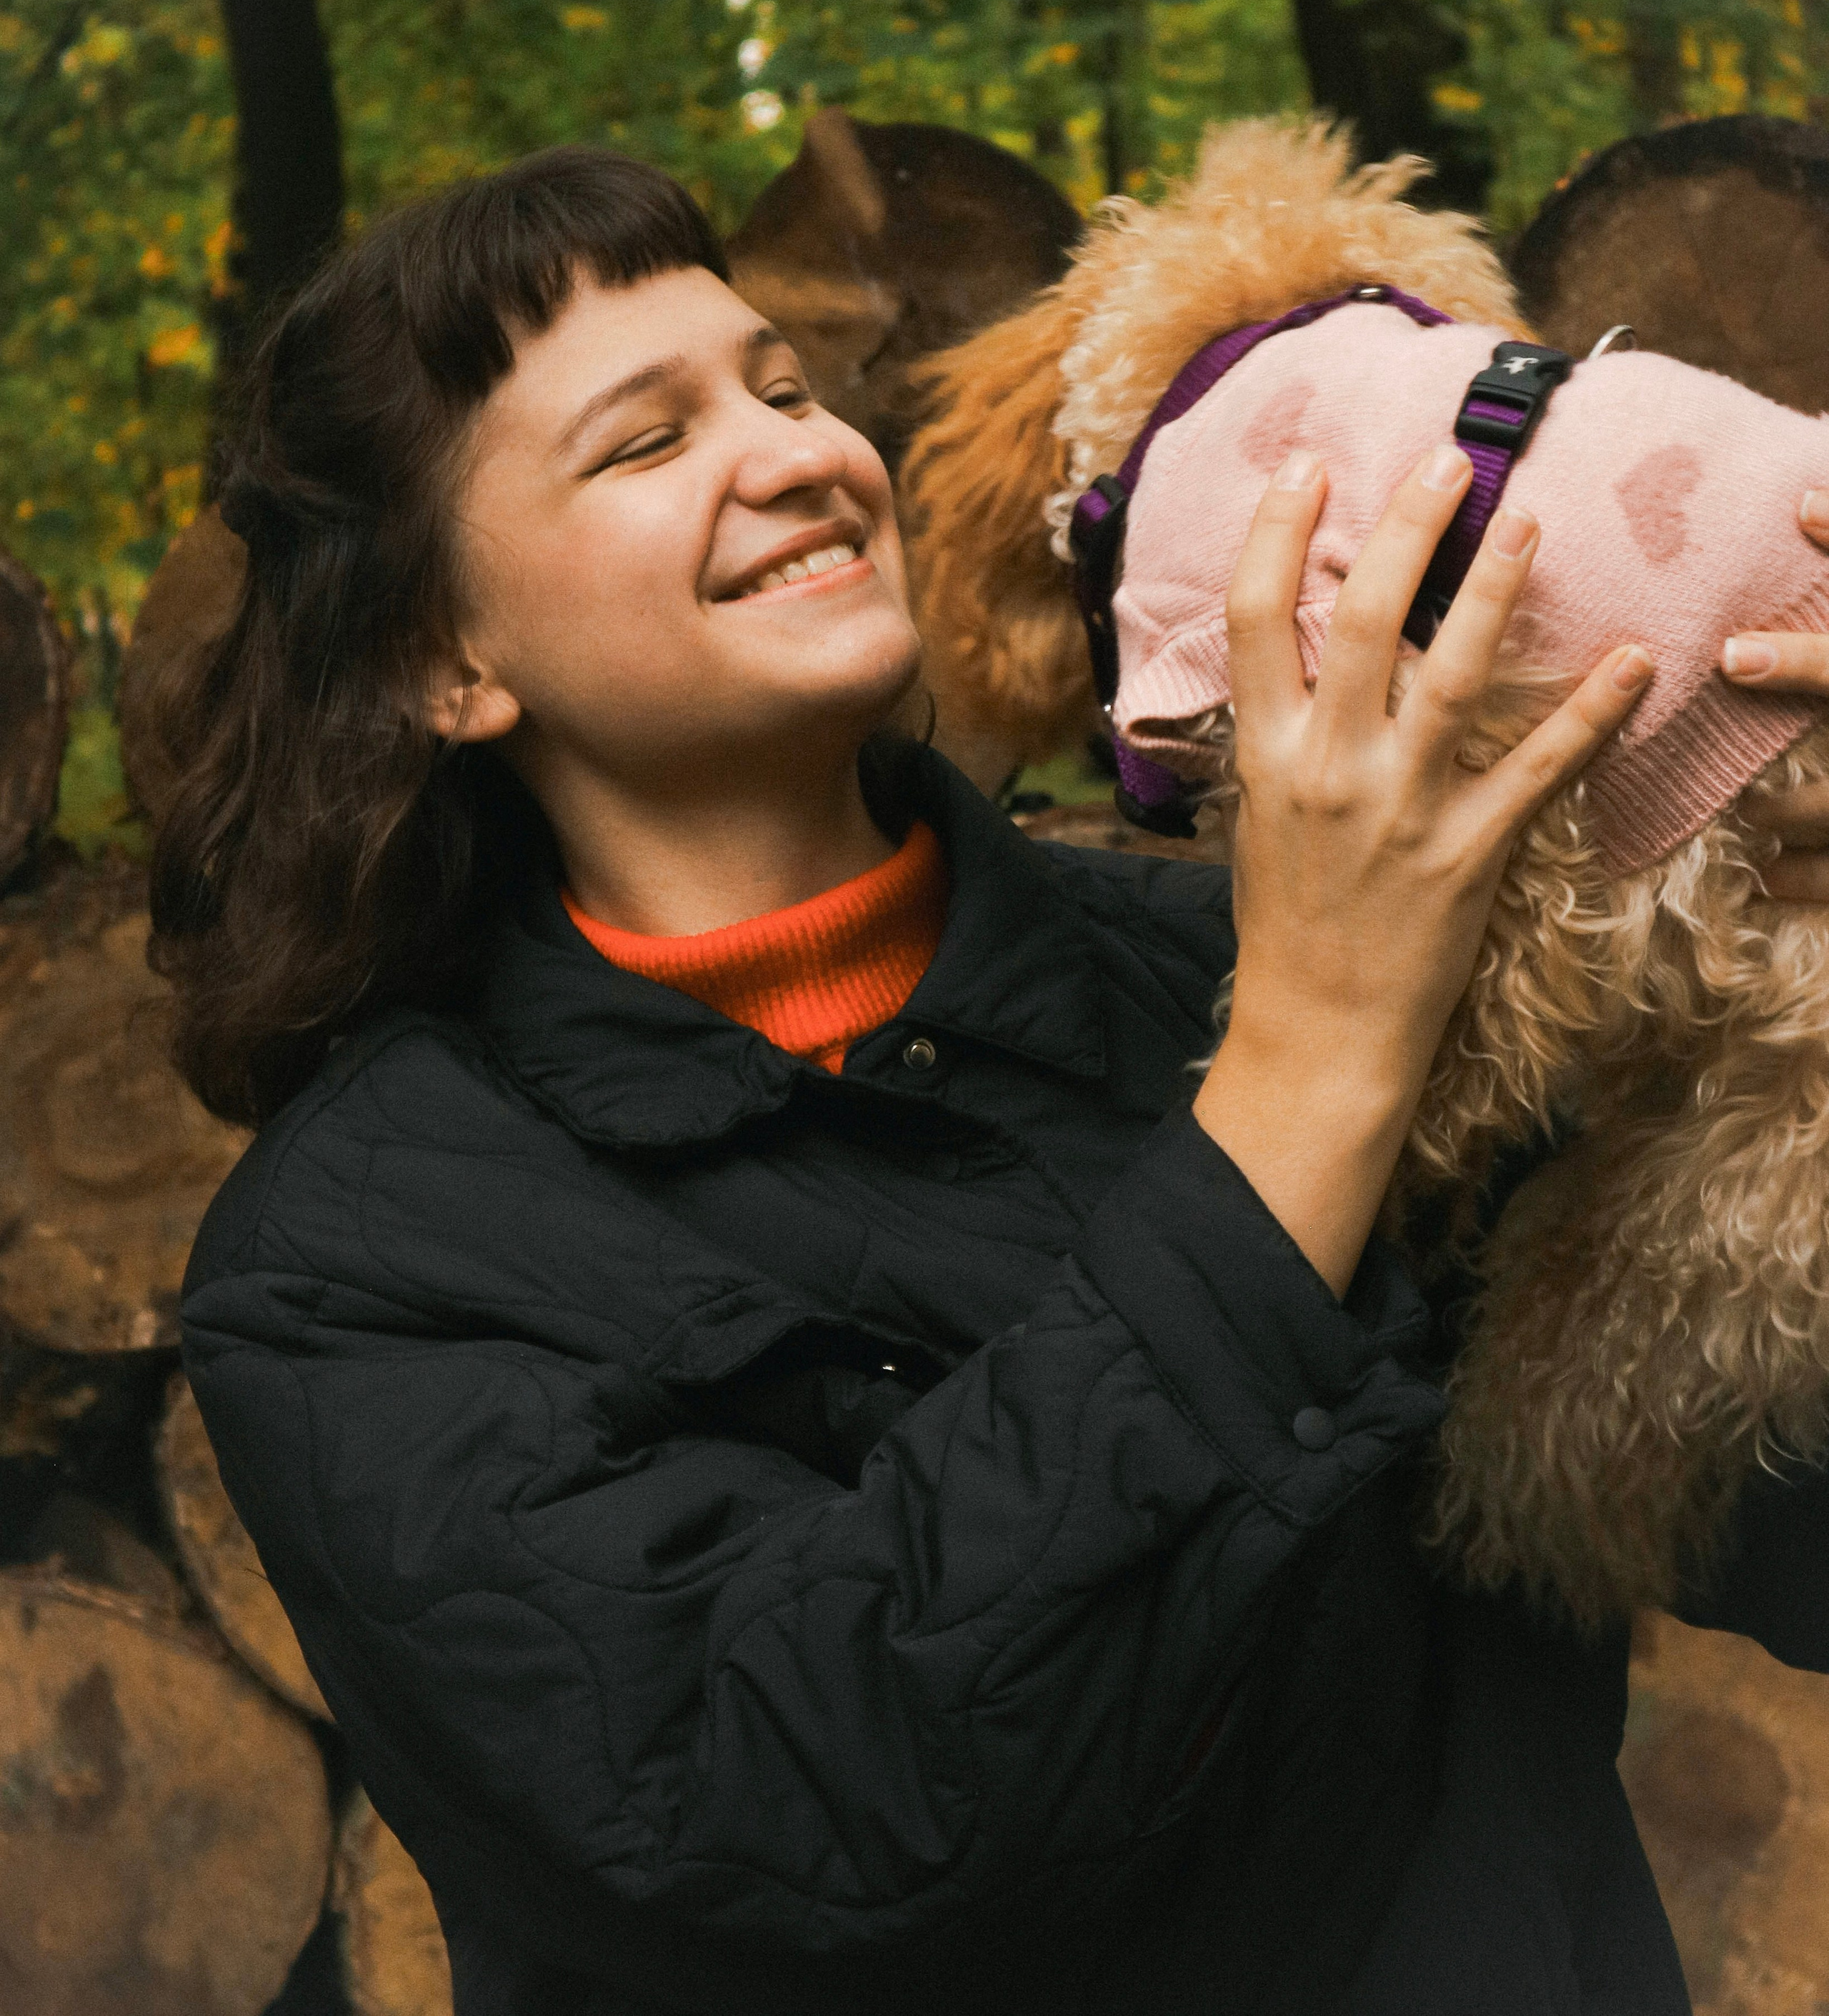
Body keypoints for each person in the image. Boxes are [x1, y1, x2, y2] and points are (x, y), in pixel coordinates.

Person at [161, 146, 1828, 2016]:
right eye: (645, 441)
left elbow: (1772, 1488)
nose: (801, 450)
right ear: (441, 658)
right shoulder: (357, 1265)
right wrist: (1306, 1071)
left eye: (786, 386)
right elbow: (789, 1822)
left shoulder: (1262, 951)